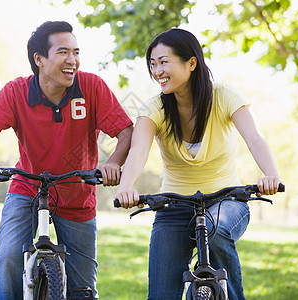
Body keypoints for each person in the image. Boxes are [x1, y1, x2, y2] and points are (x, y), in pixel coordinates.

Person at [0, 21, 133, 299]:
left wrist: (114, 163)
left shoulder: (91, 86)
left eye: (76, 52)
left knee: (83, 287)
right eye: (63, 52)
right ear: (39, 59)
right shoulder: (16, 92)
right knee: (8, 257)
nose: (73, 60)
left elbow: (126, 132)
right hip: (27, 187)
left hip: (77, 193)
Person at [114, 28, 282, 300]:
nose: (157, 71)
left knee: (217, 230)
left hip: (226, 200)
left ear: (191, 63)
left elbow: (254, 138)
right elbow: (138, 152)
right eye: (153, 64)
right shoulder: (153, 108)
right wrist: (126, 186)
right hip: (174, 205)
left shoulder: (226, 96)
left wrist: (271, 174)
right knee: (161, 294)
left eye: (164, 62)